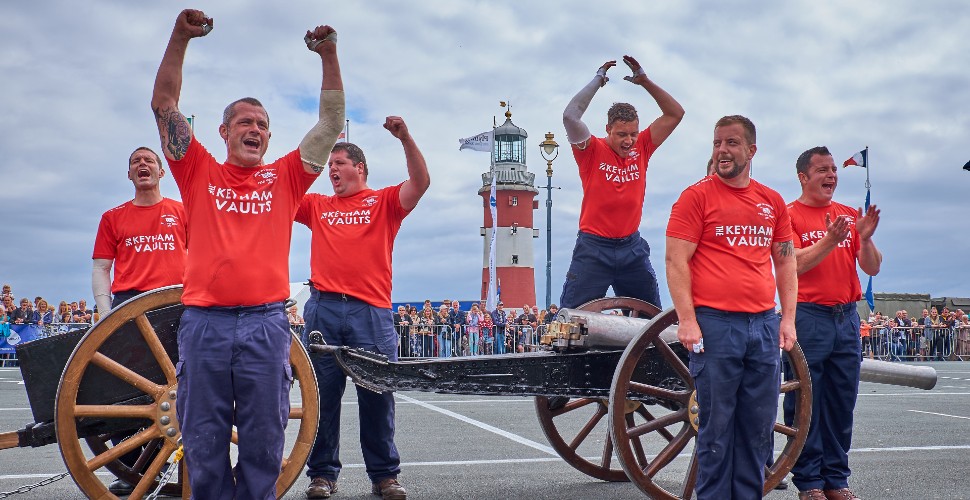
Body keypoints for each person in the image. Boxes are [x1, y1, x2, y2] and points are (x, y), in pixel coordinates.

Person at [151, 9, 345, 498]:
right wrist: (179, 37)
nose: (254, 128)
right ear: (223, 132)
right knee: (203, 439)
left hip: (265, 324)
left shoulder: (285, 177)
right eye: (244, 121)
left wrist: (329, 55)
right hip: (205, 324)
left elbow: (330, 122)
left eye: (262, 123)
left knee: (263, 441)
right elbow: (164, 103)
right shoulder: (197, 171)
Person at [296, 118, 429, 499]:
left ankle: (384, 475)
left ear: (360, 168)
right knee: (322, 395)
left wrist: (406, 137)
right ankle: (322, 475)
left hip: (370, 311)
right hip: (323, 308)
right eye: (329, 165)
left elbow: (420, 183)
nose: (332, 170)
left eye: (339, 163)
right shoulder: (317, 206)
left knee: (377, 395)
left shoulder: (384, 201)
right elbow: (283, 192)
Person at [665, 115, 797, 499]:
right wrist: (687, 321)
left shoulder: (771, 201)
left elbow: (785, 261)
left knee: (758, 428)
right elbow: (676, 261)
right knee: (717, 430)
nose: (722, 150)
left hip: (763, 325)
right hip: (715, 326)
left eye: (732, 143)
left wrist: (787, 319)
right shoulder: (696, 196)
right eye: (717, 143)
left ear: (751, 151)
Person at [783, 146, 881, 500]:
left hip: (846, 319)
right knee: (806, 402)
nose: (831, 175)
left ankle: (836, 479)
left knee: (842, 402)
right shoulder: (788, 215)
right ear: (803, 177)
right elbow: (791, 265)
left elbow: (871, 267)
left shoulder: (847, 215)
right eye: (822, 169)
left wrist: (864, 238)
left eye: (834, 170)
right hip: (808, 317)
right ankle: (809, 483)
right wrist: (830, 240)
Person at [559, 56, 684, 310]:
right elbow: (570, 117)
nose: (629, 141)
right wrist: (597, 80)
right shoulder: (591, 149)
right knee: (569, 318)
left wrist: (645, 81)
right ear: (608, 130)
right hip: (593, 248)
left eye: (633, 134)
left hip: (631, 248)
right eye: (621, 135)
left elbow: (675, 113)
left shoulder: (644, 146)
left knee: (653, 321)